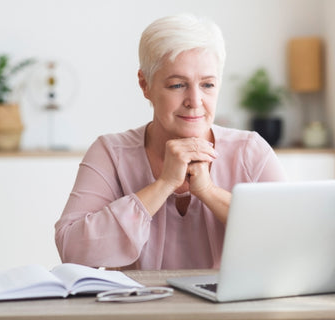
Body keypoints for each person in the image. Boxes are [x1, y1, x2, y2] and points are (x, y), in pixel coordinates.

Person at [55, 14, 286, 270]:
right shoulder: (110, 153)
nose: (195, 100)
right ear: (145, 85)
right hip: (136, 308)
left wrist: (208, 192)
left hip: (231, 310)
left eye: (207, 84)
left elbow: (289, 242)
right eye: (177, 85)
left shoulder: (250, 152)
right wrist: (164, 184)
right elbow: (73, 250)